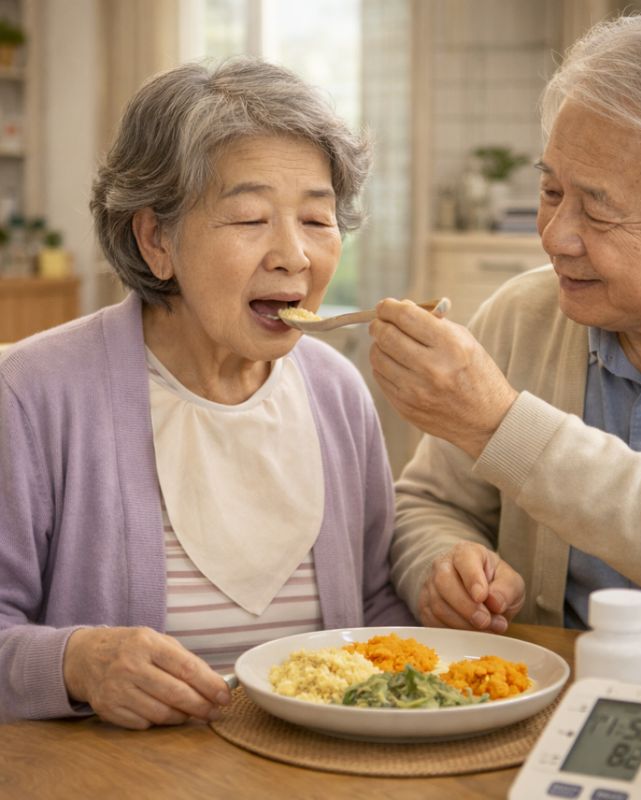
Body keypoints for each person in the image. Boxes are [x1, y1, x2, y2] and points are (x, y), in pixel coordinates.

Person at [370, 8, 641, 667]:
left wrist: (502, 427)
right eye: (550, 190)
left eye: (598, 210)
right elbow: (427, 504)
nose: (554, 237)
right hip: (549, 706)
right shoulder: (524, 315)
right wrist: (446, 566)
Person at [0, 58, 414, 729]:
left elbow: (374, 607)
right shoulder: (32, 394)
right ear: (156, 239)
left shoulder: (338, 390)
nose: (294, 256)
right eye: (250, 219)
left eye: (317, 219)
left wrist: (448, 580)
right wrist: (76, 663)